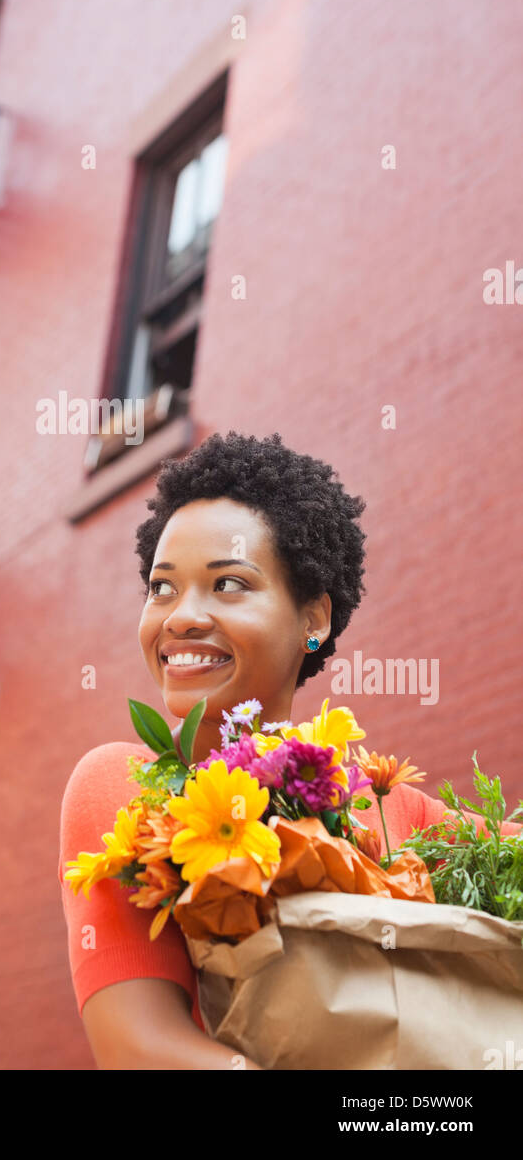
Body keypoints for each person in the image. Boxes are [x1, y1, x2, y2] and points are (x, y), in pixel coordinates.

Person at [57, 430, 521, 1069]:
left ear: (315, 619)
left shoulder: (389, 807)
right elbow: (137, 1048)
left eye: (228, 585)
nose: (180, 617)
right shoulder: (122, 783)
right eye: (161, 588)